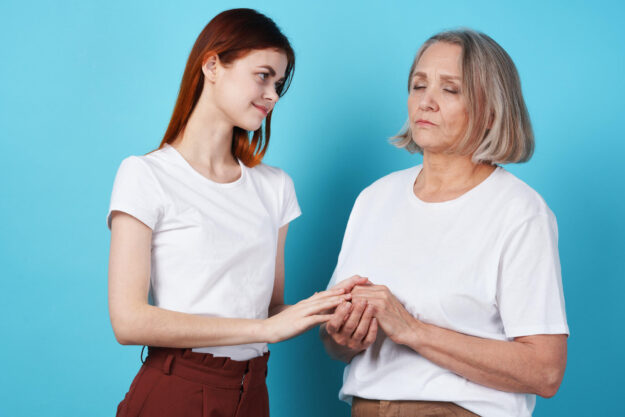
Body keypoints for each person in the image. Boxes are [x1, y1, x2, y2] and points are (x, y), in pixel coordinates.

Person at [107, 9, 355, 417]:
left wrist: (327, 306)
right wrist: (263, 330)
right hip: (176, 388)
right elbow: (128, 320)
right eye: (263, 76)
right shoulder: (145, 174)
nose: (273, 95)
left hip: (253, 391)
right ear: (212, 65)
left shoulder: (275, 187)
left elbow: (270, 309)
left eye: (278, 84)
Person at [321, 29, 569, 417]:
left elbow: (545, 370)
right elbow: (335, 346)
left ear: (490, 112)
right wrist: (343, 335)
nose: (426, 101)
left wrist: (413, 330)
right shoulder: (374, 199)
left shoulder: (519, 212)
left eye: (450, 89)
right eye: (418, 85)